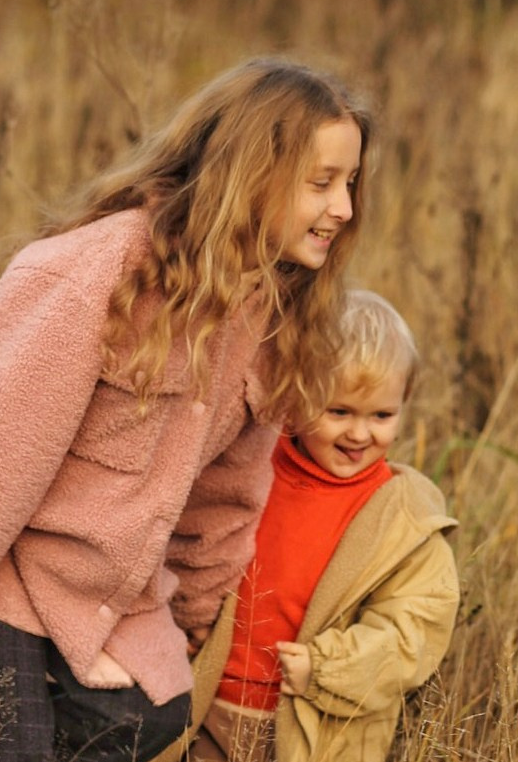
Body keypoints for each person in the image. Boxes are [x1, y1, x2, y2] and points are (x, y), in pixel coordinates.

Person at [0, 56, 374, 762]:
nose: (343, 208)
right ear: (251, 173)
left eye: (349, 183)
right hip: (4, 589)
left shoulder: (270, 315)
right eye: (321, 184)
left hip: (109, 601)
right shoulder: (98, 274)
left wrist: (183, 626)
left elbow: (224, 503)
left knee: (152, 716)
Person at [192, 289, 460, 762]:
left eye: (382, 415)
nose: (359, 434)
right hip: (207, 710)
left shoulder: (404, 518)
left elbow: (413, 633)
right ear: (293, 396)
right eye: (338, 412)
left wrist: (328, 668)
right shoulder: (248, 468)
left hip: (322, 732)